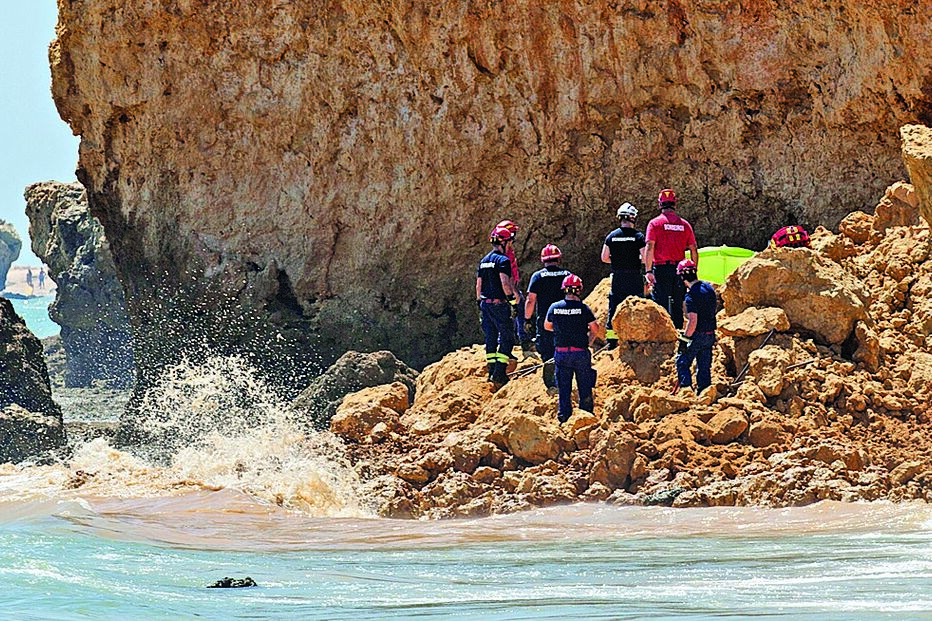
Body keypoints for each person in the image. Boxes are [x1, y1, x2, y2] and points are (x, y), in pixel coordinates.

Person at [544, 274, 599, 423]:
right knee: (585, 386)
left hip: (562, 354)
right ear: (579, 290)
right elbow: (595, 328)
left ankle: (564, 419)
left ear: (564, 290)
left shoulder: (555, 307)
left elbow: (547, 326)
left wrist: (561, 329)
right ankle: (586, 417)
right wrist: (588, 341)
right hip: (580, 353)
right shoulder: (583, 309)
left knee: (563, 389)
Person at [644, 189, 698, 329]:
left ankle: (662, 334)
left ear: (660, 204)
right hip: (680, 270)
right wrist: (693, 271)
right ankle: (678, 332)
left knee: (660, 303)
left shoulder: (654, 224)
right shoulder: (684, 225)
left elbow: (650, 247)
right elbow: (693, 249)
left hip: (661, 268)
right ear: (675, 203)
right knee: (678, 303)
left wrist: (648, 270)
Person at [477, 225, 519, 389]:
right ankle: (500, 373)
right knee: (507, 336)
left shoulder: (484, 261)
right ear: (505, 242)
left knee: (491, 337)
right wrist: (512, 301)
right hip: (498, 304)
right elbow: (504, 282)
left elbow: (478, 285)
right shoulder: (503, 260)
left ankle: (491, 371)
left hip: (485, 304)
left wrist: (478, 303)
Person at [524, 244, 570, 394]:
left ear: (543, 260)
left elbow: (531, 300)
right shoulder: (567, 275)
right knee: (564, 346)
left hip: (545, 318)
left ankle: (551, 382)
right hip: (564, 317)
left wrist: (527, 319)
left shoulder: (537, 276)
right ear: (559, 258)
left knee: (546, 348)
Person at [601, 202, 647, 349]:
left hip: (618, 277)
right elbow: (645, 258)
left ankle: (612, 341)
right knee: (636, 305)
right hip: (634, 276)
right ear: (633, 218)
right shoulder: (638, 236)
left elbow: (604, 257)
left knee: (614, 305)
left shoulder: (612, 236)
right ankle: (636, 338)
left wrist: (617, 262)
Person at [674, 259, 717, 395]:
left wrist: (685, 339)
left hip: (697, 334)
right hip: (710, 333)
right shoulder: (709, 288)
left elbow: (692, 321)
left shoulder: (690, 295)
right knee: (704, 365)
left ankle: (686, 391)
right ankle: (704, 392)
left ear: (682, 277)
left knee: (682, 361)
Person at [496, 219, 534, 358]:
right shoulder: (503, 254)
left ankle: (516, 342)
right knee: (512, 314)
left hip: (508, 287)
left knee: (513, 314)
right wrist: (514, 291)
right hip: (507, 289)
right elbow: (506, 275)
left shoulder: (505, 251)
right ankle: (520, 341)